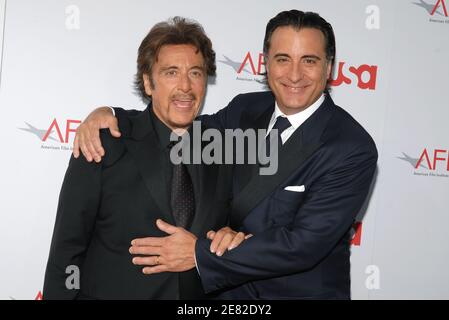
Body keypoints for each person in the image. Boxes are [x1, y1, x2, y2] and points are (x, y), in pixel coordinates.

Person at [73, 10, 378, 299]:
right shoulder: (245, 110)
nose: (294, 74)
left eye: (309, 60)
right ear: (266, 64)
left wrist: (196, 253)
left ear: (329, 67)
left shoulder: (350, 147)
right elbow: (178, 127)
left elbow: (301, 245)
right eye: (283, 59)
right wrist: (111, 115)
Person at [43, 17, 242, 300]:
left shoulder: (223, 148)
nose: (185, 86)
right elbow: (67, 250)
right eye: (171, 73)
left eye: (195, 73)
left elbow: (235, 231)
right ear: (148, 82)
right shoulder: (105, 143)